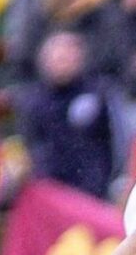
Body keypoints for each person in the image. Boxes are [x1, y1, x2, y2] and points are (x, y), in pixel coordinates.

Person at [15, 29, 121, 200]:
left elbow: (117, 141)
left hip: (94, 193)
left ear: (81, 57)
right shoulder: (32, 101)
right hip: (51, 192)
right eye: (57, 56)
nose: (62, 61)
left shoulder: (100, 93)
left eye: (68, 55)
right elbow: (30, 146)